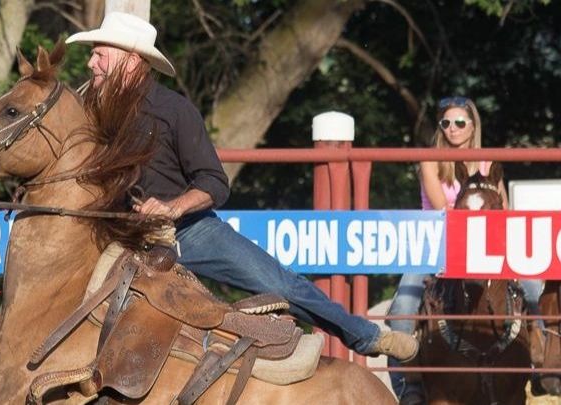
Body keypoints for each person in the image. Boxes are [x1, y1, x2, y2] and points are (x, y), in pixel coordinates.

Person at [65, 11, 419, 361]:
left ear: (130, 61)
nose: (91, 63)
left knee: (280, 285)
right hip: (116, 232)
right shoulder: (90, 109)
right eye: (93, 54)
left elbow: (214, 182)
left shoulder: (174, 110)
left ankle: (369, 336)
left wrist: (172, 208)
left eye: (99, 54)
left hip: (187, 232)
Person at [387, 96, 545, 404]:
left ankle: (541, 366)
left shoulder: (488, 161)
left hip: (486, 245)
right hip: (435, 242)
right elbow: (441, 206)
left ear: (473, 126)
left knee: (532, 288)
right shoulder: (431, 158)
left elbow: (504, 211)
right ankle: (410, 389)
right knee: (402, 311)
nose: (453, 128)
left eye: (460, 122)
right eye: (446, 123)